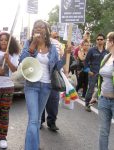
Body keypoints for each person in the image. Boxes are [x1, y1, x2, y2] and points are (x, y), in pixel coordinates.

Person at [19, 20, 70, 150]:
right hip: (31, 85)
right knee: (34, 120)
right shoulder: (29, 43)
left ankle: (32, 145)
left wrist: (65, 56)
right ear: (33, 30)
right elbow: (22, 61)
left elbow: (56, 67)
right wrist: (32, 46)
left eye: (42, 27)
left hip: (46, 86)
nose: (39, 29)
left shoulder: (52, 47)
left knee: (35, 121)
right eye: (36, 27)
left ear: (46, 30)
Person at [0, 32, 20, 148]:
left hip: (8, 85)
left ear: (9, 42)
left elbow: (15, 69)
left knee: (5, 112)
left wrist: (7, 60)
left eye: (6, 40)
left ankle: (3, 137)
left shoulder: (14, 54)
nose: (3, 42)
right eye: (1, 40)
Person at [40, 31, 64, 131]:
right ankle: (39, 121)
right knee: (40, 101)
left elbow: (58, 62)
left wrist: (65, 57)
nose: (56, 37)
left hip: (53, 76)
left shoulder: (58, 44)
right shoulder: (38, 43)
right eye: (55, 35)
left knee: (53, 101)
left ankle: (52, 121)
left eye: (57, 36)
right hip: (40, 78)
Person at [97, 32, 114, 150]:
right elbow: (101, 78)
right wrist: (95, 95)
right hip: (103, 99)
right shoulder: (106, 57)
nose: (105, 42)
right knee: (103, 132)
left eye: (107, 40)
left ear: (112, 42)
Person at [84, 33, 108, 112]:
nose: (99, 41)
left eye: (101, 39)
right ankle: (87, 104)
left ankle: (98, 104)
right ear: (96, 41)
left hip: (102, 75)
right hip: (93, 73)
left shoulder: (107, 52)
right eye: (98, 39)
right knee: (90, 89)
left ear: (104, 41)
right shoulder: (92, 50)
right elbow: (86, 62)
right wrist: (88, 71)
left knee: (101, 90)